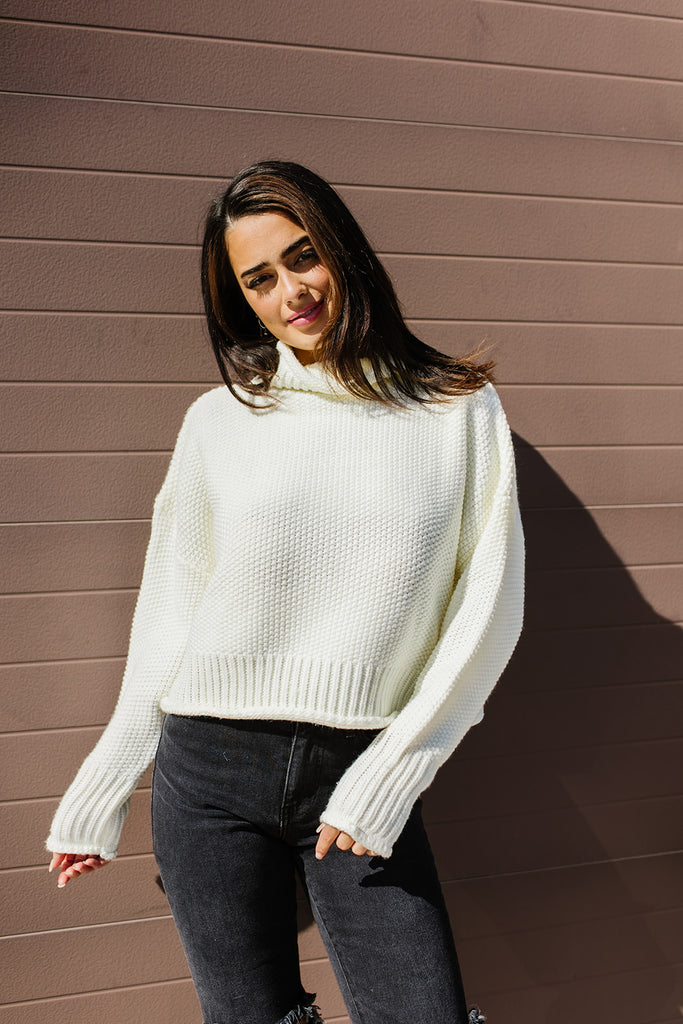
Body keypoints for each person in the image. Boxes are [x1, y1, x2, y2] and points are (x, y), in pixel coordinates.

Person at [47, 161, 524, 1024]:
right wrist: (104, 783)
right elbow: (171, 610)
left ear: (342, 250)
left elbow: (485, 610)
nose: (290, 292)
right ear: (239, 300)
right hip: (207, 772)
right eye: (258, 278)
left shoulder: (457, 410)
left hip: (360, 763)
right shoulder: (219, 421)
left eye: (303, 256)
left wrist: (394, 771)